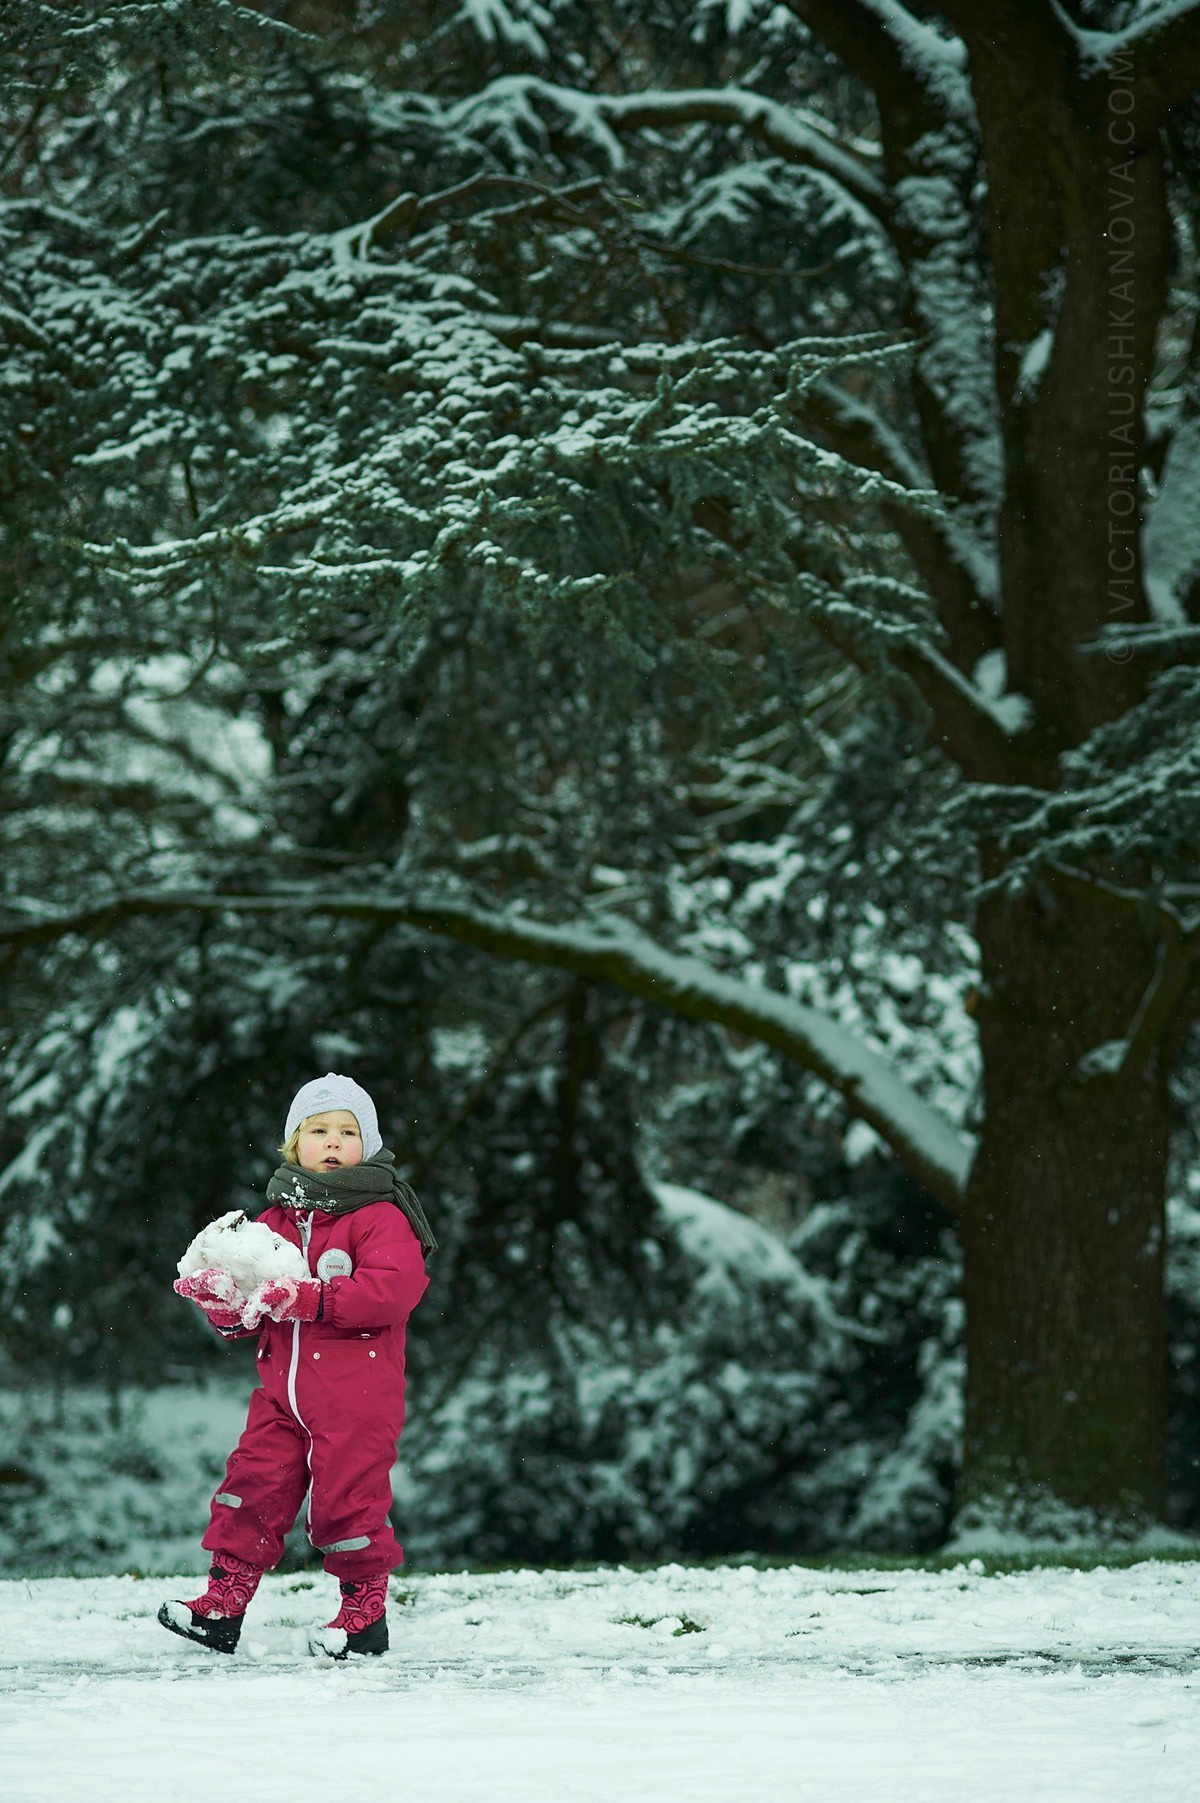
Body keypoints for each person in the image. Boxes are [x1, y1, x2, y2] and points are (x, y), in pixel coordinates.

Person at [159, 1073, 436, 1658]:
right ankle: (222, 1606)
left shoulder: (381, 1217)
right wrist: (227, 1307)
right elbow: (252, 1309)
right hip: (281, 1400)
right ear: (294, 1145)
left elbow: (394, 1290)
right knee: (250, 1489)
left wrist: (314, 1299)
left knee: (350, 1503)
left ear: (369, 1145)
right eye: (318, 1131)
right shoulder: (272, 1223)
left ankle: (362, 1618)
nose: (333, 1141)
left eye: (347, 1131)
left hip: (355, 1400)